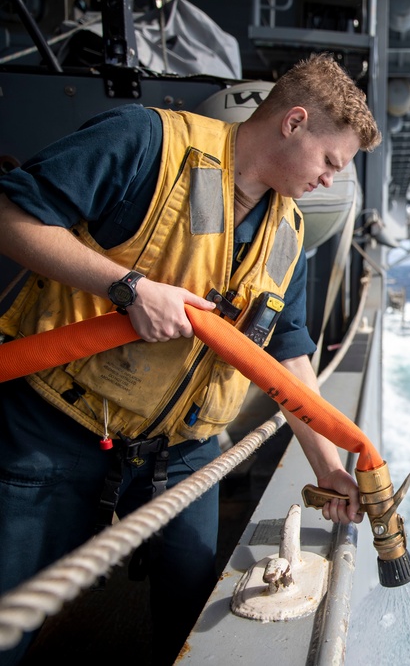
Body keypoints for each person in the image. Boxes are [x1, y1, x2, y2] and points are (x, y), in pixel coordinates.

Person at [0, 53, 381, 664]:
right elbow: (11, 214)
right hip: (56, 426)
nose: (330, 182)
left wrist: (326, 467)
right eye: (330, 162)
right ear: (294, 122)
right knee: (11, 614)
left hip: (185, 452)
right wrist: (127, 288)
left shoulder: (290, 232)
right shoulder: (145, 139)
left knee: (192, 612)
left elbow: (289, 353)